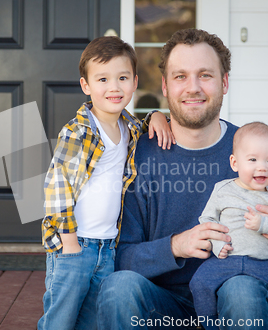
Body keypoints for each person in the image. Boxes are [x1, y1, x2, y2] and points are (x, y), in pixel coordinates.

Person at [97, 28, 268, 330]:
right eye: (180, 77)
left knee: (241, 290)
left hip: (236, 300)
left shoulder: (253, 152)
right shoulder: (141, 155)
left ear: (224, 82)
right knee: (119, 288)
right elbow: (122, 257)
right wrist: (176, 245)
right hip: (165, 306)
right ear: (164, 86)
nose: (193, 87)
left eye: (205, 75)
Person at [38, 36, 174, 330]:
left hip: (108, 246)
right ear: (86, 86)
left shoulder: (129, 128)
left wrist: (158, 116)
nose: (114, 87)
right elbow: (56, 187)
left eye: (122, 78)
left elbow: (147, 123)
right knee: (60, 319)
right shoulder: (78, 132)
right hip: (75, 244)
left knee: (92, 320)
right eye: (102, 79)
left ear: (135, 82)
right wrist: (70, 243)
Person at [189, 122, 268, 330]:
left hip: (264, 261)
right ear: (235, 163)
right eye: (252, 160)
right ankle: (208, 325)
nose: (262, 167)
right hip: (226, 259)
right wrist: (215, 244)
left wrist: (264, 223)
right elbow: (207, 219)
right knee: (199, 283)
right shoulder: (222, 189)